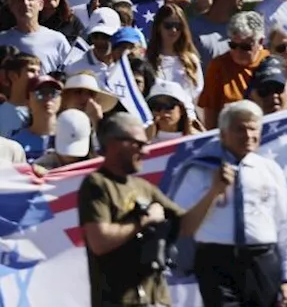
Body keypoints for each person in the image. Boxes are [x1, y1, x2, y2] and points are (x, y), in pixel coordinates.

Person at [78, 113, 230, 307]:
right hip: (118, 300)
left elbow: (186, 226)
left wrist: (214, 192)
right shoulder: (97, 184)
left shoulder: (144, 187)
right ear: (116, 143)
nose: (146, 152)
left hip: (155, 298)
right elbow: (99, 241)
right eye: (139, 144)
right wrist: (143, 221)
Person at [171, 101, 287, 307]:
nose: (248, 135)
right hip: (217, 262)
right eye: (240, 129)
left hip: (262, 261)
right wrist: (214, 191)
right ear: (223, 134)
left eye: (253, 128)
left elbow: (286, 227)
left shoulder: (269, 169)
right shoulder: (199, 170)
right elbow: (183, 226)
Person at [198, 11, 268, 128]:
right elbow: (210, 112)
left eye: (245, 47)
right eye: (233, 45)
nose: (238, 52)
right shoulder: (219, 66)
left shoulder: (270, 63)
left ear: (260, 42)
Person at [0, 0, 72, 74]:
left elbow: (71, 73)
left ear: (40, 4)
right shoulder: (2, 40)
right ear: (11, 6)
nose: (25, 3)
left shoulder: (57, 40)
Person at [146, 3, 205, 101]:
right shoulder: (147, 59)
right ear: (158, 27)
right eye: (168, 26)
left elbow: (198, 93)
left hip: (187, 113)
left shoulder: (191, 60)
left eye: (178, 26)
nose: (174, 30)